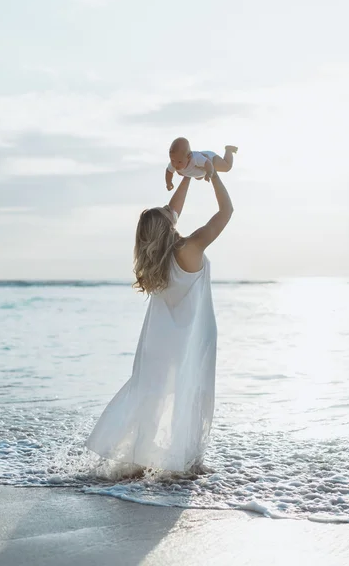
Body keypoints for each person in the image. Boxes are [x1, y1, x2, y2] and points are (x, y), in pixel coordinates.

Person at [85, 170, 233, 474]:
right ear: (168, 227)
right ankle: (185, 464)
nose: (173, 210)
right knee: (191, 393)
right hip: (192, 337)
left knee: (150, 395)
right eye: (169, 214)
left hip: (158, 338)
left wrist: (190, 176)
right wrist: (214, 176)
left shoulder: (157, 260)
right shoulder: (190, 248)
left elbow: (171, 211)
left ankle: (139, 460)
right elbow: (226, 211)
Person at [165, 137, 238, 191]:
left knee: (226, 167)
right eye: (172, 160)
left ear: (189, 157)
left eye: (179, 162)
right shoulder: (173, 164)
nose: (175, 164)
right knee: (198, 177)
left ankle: (228, 150)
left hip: (209, 159)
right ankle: (200, 174)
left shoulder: (195, 158)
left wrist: (209, 173)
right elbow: (168, 172)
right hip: (198, 170)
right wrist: (169, 182)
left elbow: (208, 163)